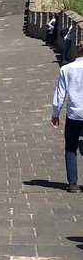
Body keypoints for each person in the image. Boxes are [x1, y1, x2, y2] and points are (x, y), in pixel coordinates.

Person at [51, 41, 83, 193]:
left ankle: (73, 184)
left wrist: (55, 114)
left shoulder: (66, 69)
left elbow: (60, 94)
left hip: (74, 115)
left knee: (71, 149)